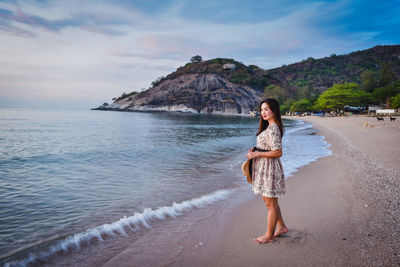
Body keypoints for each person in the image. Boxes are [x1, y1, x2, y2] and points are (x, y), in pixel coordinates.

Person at [246, 98, 288, 244]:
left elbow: (278, 152)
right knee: (269, 200)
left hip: (270, 169)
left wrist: (258, 154)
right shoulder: (269, 127)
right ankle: (281, 226)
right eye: (261, 110)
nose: (263, 112)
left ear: (274, 110)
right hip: (264, 167)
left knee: (271, 203)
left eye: (266, 109)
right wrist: (256, 150)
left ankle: (269, 235)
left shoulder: (274, 128)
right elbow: (268, 148)